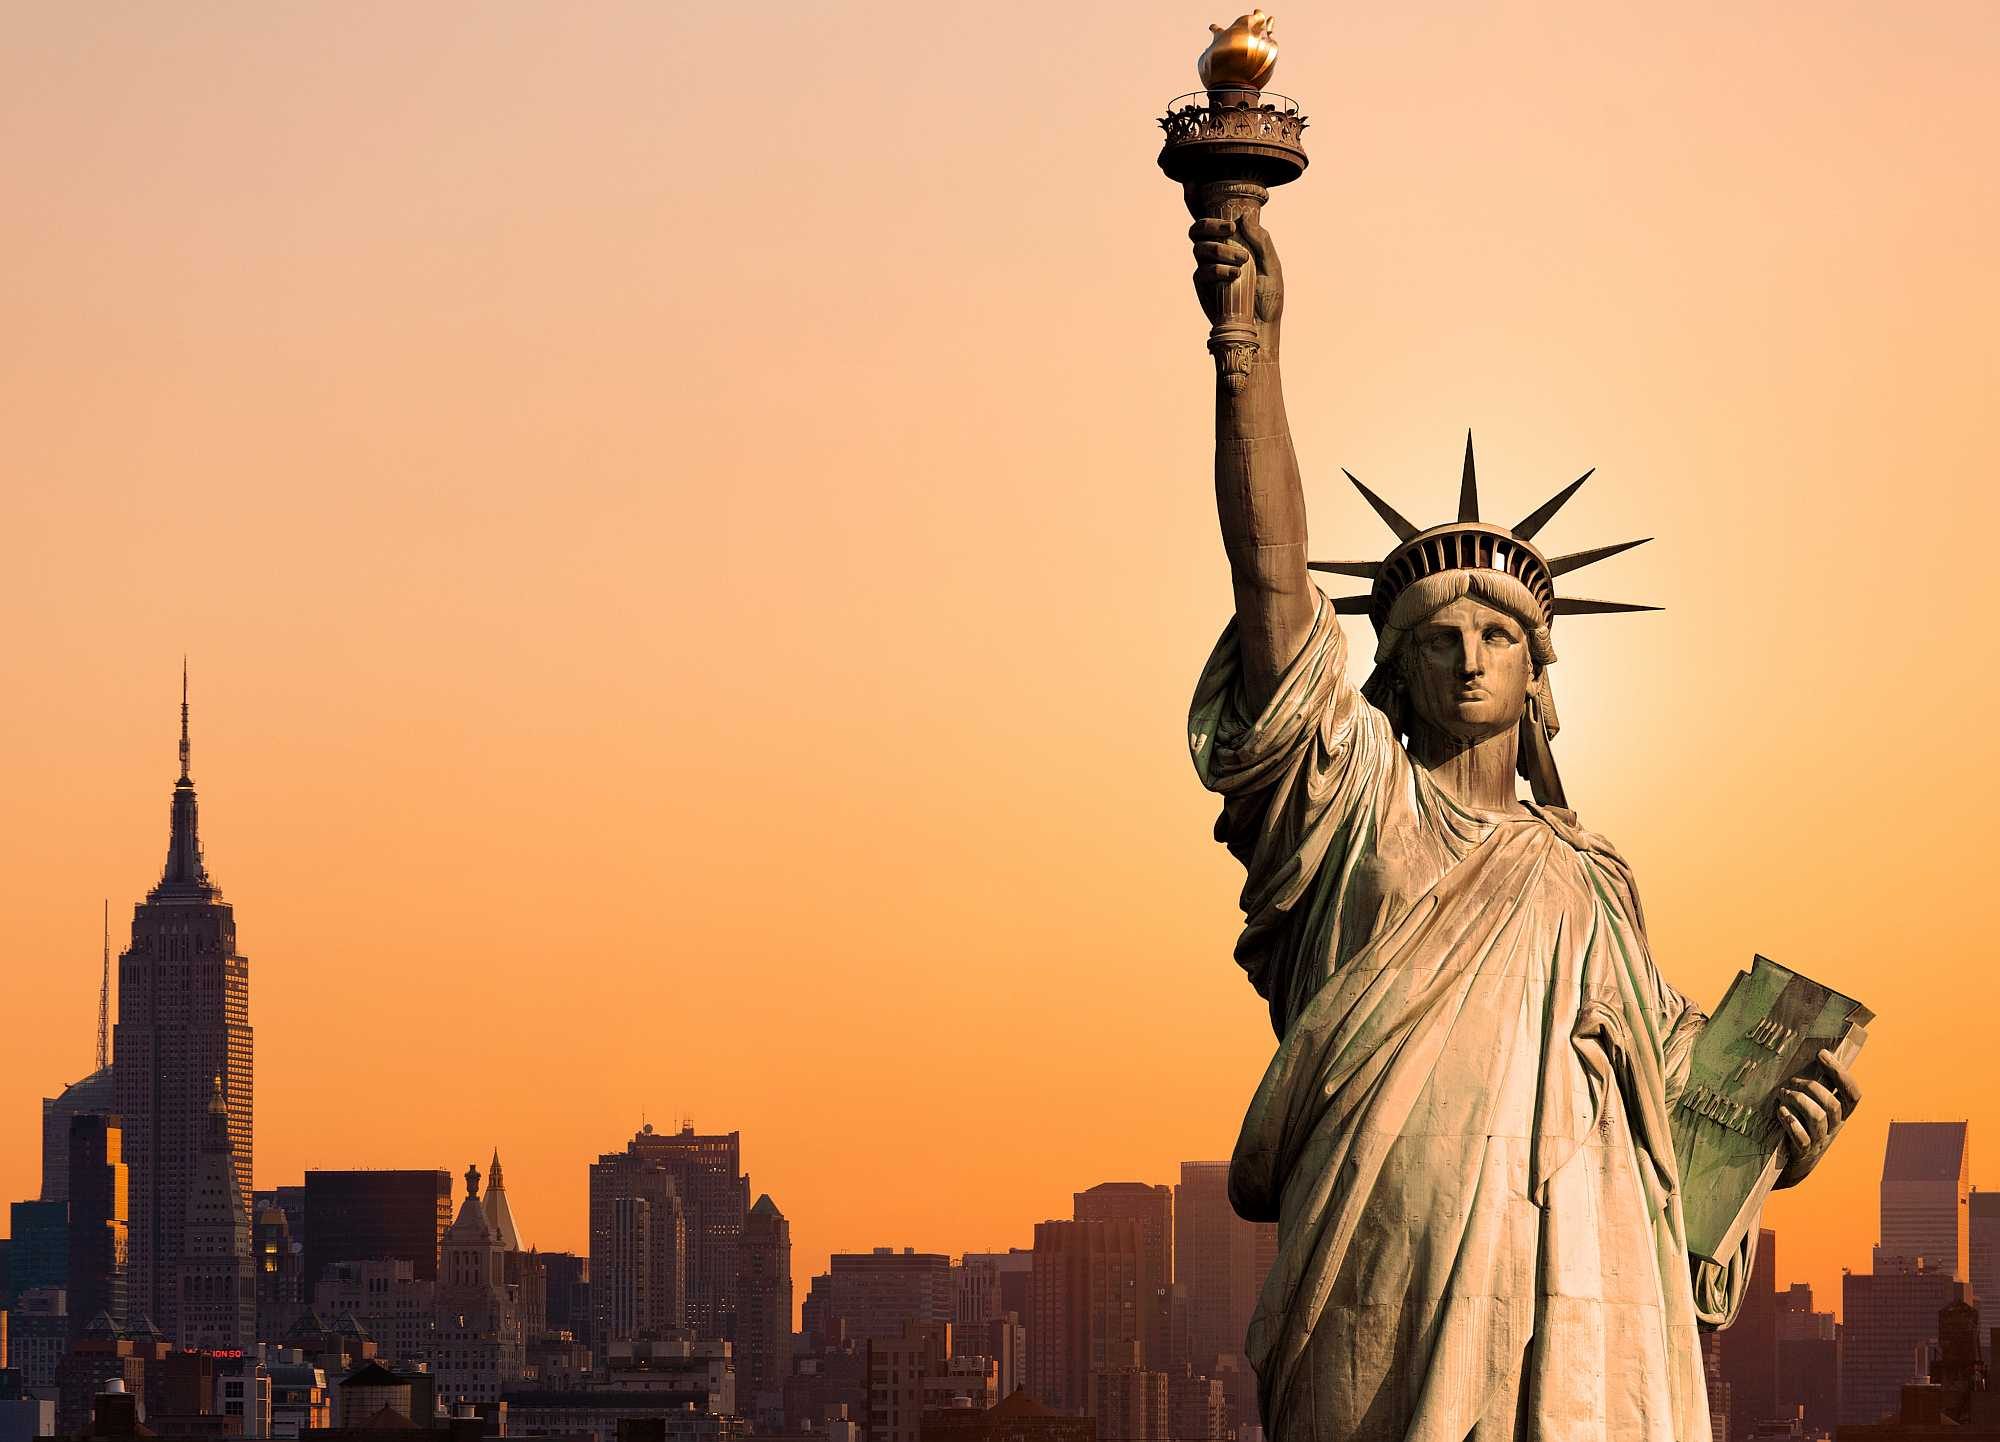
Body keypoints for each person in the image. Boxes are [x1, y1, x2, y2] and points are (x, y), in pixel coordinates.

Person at [1184, 209, 1860, 1441]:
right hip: (1375, 1273)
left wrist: (1777, 1134)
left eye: (1497, 633)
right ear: (1385, 675)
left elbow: (1677, 1120)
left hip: (1578, 1312)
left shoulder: (1587, 881)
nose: (1468, 655)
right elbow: (1271, 579)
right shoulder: (1351, 813)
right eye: (1433, 637)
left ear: (1537, 677)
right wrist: (1248, 351)